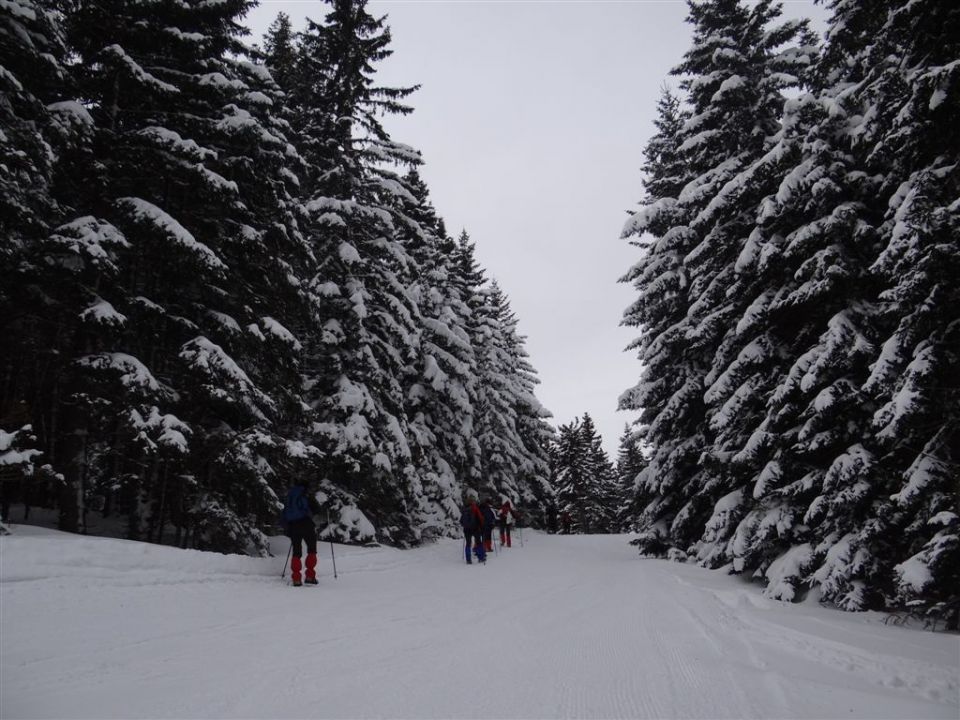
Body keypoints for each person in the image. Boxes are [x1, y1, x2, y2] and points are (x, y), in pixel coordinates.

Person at [282, 481, 322, 586]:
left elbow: (284, 512)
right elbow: (316, 509)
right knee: (312, 549)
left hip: (293, 525)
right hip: (306, 523)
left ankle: (296, 579)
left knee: (296, 551)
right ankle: (310, 576)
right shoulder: (305, 494)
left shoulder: (290, 495)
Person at [459, 494, 485, 564]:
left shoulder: (464, 509)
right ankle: (481, 557)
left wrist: (465, 525)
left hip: (466, 529)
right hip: (475, 528)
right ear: (473, 501)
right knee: (478, 542)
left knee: (468, 543)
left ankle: (468, 559)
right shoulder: (475, 508)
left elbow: (461, 521)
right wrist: (481, 526)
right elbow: (480, 518)